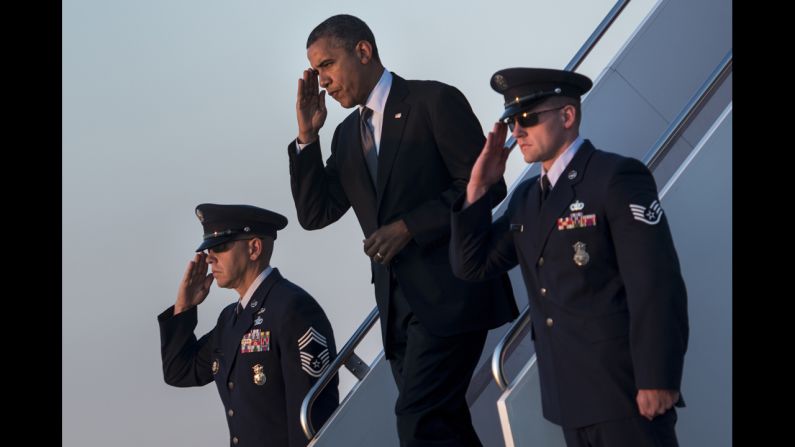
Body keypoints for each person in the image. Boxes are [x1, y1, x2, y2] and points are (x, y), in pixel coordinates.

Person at [287, 14, 518, 447]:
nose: (323, 83)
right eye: (316, 71)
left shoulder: (433, 102)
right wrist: (306, 138)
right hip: (397, 315)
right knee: (443, 427)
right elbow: (315, 213)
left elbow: (487, 185)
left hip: (452, 296)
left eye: (327, 66)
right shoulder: (344, 137)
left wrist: (410, 226)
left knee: (418, 421)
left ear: (363, 51)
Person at [449, 68, 689, 447]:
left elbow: (655, 283)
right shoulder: (527, 199)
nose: (517, 131)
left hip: (626, 391)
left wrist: (657, 378)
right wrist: (477, 188)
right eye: (512, 121)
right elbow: (472, 264)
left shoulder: (615, 177)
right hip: (569, 397)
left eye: (527, 118)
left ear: (567, 116)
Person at [157, 203, 339, 447]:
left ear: (254, 248)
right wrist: (184, 307)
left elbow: (311, 414)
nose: (210, 257)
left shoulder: (292, 308)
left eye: (220, 247)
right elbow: (179, 371)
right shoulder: (230, 319)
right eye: (209, 249)